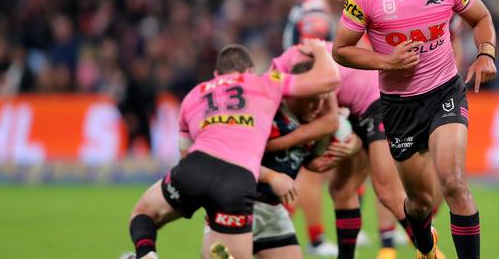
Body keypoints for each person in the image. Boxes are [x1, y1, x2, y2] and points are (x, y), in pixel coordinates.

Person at [332, 0, 497, 259]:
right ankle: (426, 247)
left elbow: (481, 18)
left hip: (444, 93)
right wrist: (387, 62)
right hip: (399, 106)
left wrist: (485, 53)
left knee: (453, 180)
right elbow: (341, 50)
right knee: (419, 204)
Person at [123, 40, 340, 259]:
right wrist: (320, 50)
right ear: (250, 71)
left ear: (217, 73)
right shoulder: (265, 83)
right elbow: (329, 79)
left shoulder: (193, 94)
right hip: (237, 182)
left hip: (197, 167)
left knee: (143, 214)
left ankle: (145, 254)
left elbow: (185, 153)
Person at [273, 42, 435, 259]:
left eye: (316, 103)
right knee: (341, 190)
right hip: (354, 106)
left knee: (387, 191)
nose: (313, 109)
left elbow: (330, 122)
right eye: (309, 103)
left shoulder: (319, 76)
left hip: (378, 100)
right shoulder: (278, 76)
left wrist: (286, 149)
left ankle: (431, 253)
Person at [243, 60, 361, 259]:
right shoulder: (266, 114)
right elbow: (236, 159)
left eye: (323, 99)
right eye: (311, 99)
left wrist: (350, 146)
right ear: (293, 93)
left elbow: (346, 139)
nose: (317, 106)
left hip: (273, 212)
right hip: (238, 206)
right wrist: (272, 177)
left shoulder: (318, 119)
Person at [282, 0, 350, 256]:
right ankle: (316, 239)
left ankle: (282, 231)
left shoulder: (308, 7)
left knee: (306, 169)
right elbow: (311, 57)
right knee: (311, 171)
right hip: (307, 98)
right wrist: (326, 100)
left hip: (298, 94)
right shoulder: (315, 13)